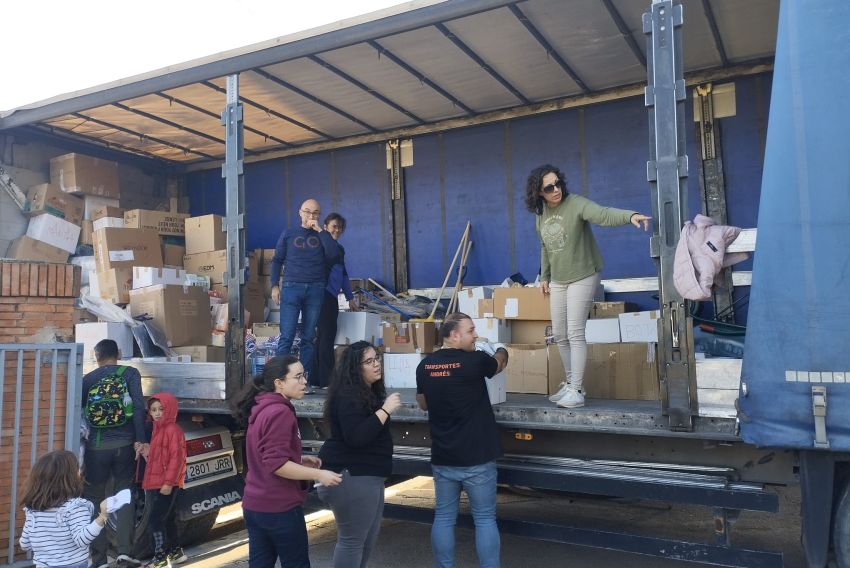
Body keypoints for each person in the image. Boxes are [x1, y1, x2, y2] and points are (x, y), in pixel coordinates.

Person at [525, 164, 651, 409]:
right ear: (538, 193)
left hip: (583, 274)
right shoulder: (540, 215)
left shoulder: (576, 204)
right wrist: (544, 277)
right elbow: (545, 247)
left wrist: (630, 216)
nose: (556, 190)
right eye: (549, 187)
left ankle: (576, 391)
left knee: (574, 332)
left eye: (558, 183)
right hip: (559, 280)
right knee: (559, 334)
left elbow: (603, 214)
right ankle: (573, 384)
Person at [416, 313, 509, 568]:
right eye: (471, 331)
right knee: (485, 519)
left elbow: (423, 404)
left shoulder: (425, 365)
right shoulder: (476, 361)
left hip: (444, 457)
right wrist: (501, 348)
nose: (475, 335)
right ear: (454, 335)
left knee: (444, 517)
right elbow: (499, 364)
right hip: (477, 457)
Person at [232, 355, 343, 568]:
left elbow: (265, 455)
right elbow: (277, 465)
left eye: (305, 376)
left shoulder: (262, 406)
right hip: (279, 508)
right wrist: (319, 474)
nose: (304, 382)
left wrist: (298, 459)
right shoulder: (279, 412)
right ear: (279, 383)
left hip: (256, 506)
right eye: (298, 377)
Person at [317, 341, 401, 567]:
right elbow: (357, 437)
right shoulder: (348, 396)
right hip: (351, 475)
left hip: (368, 475)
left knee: (366, 541)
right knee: (353, 541)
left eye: (377, 358)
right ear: (355, 368)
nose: (376, 365)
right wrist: (385, 410)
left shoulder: (366, 392)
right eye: (369, 361)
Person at [81, 338, 146, 568]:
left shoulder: (88, 379)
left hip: (96, 449)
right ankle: (125, 552)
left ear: (96, 357)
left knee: (93, 500)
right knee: (124, 494)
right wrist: (140, 440)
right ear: (118, 353)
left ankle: (98, 559)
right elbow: (139, 407)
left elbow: (82, 416)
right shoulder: (130, 374)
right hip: (124, 446)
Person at [270, 199, 341, 390]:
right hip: (292, 287)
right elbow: (276, 260)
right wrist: (274, 286)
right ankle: (280, 382)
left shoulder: (323, 235)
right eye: (308, 211)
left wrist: (320, 230)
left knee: (309, 338)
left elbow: (335, 255)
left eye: (316, 212)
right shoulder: (289, 233)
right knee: (287, 336)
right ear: (299, 212)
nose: (311, 216)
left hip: (316, 288)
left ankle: (303, 383)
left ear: (319, 215)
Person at [20, 450, 109, 568]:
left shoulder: (33, 510)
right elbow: (82, 539)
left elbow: (25, 544)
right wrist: (102, 517)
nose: (80, 472)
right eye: (77, 469)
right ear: (69, 478)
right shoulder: (76, 507)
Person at [139, 393, 187, 568]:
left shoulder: (173, 430)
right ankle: (175, 552)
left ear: (171, 410)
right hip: (157, 481)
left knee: (155, 519)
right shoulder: (156, 430)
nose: (157, 413)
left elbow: (177, 459)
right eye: (153, 410)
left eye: (161, 409)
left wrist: (168, 483)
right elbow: (159, 458)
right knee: (168, 518)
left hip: (166, 483)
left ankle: (159, 557)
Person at [315, 212, 359, 388]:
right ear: (325, 227)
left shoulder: (339, 249)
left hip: (332, 297)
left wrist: (350, 298)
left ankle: (318, 379)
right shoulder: (319, 245)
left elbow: (343, 274)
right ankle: (326, 380)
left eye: (340, 227)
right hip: (321, 295)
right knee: (325, 337)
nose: (337, 230)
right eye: (334, 226)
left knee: (324, 337)